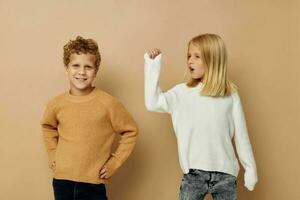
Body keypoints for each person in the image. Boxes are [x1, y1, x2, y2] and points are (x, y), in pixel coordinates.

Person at [144, 33, 257, 200]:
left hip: (226, 176)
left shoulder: (230, 94)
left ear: (213, 60)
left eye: (197, 56)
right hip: (194, 175)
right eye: (189, 55)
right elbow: (152, 103)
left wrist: (250, 168)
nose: (190, 60)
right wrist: (152, 67)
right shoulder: (181, 93)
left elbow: (242, 136)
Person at [41, 36, 138, 200]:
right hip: (62, 181)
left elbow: (131, 131)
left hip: (93, 184)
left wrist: (114, 163)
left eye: (88, 67)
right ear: (66, 68)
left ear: (96, 71)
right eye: (76, 66)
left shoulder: (108, 103)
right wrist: (53, 154)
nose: (81, 72)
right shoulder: (56, 104)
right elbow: (47, 127)